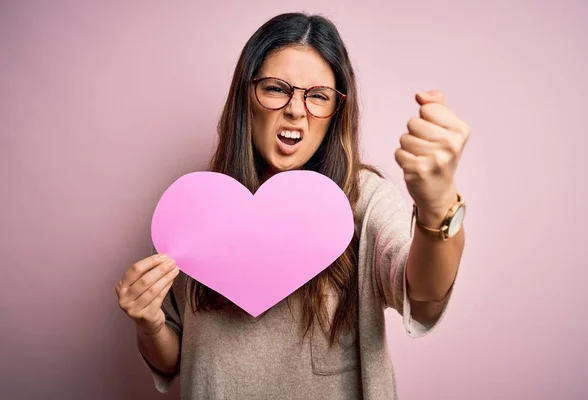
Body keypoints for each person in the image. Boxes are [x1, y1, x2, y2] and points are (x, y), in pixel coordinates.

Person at [115, 12, 469, 400]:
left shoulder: (363, 199)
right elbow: (172, 360)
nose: (297, 110)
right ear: (245, 97)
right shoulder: (193, 206)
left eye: (318, 96)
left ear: (337, 112)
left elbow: (423, 293)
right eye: (276, 88)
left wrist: (438, 206)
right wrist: (149, 324)